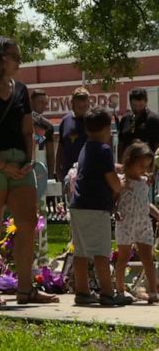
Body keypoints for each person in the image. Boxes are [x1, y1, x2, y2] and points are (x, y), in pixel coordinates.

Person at [0, 36, 59, 306]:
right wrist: (2, 165)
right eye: (15, 56)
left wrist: (28, 160)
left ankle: (26, 289)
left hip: (20, 164)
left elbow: (28, 129)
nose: (20, 61)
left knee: (28, 221)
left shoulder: (21, 90)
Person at [70, 107, 131, 306]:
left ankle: (82, 291)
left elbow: (100, 167)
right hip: (96, 207)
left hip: (78, 205)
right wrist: (121, 184)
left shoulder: (86, 147)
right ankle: (107, 293)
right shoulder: (104, 149)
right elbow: (112, 181)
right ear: (107, 128)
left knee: (80, 251)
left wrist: (117, 167)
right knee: (101, 251)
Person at [115, 141, 159, 303]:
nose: (144, 170)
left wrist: (157, 214)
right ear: (130, 161)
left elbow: (145, 203)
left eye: (147, 166)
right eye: (141, 165)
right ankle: (120, 289)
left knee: (148, 256)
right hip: (126, 223)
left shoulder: (144, 182)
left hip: (143, 223)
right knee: (123, 256)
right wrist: (115, 212)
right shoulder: (122, 181)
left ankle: (153, 291)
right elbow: (113, 201)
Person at [55, 87, 89, 183]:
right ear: (72, 103)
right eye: (79, 102)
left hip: (88, 172)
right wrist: (57, 169)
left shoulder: (92, 121)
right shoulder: (65, 121)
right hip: (68, 173)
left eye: (84, 102)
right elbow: (61, 146)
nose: (82, 105)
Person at [118, 88, 159, 161]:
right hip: (128, 164)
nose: (137, 108)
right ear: (130, 103)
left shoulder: (153, 119)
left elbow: (157, 146)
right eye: (134, 105)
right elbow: (121, 142)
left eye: (140, 105)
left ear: (146, 102)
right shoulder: (125, 119)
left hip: (147, 164)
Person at [29, 89, 55, 179]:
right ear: (31, 102)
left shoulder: (47, 126)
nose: (44, 105)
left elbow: (50, 154)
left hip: (40, 168)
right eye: (40, 102)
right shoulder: (22, 120)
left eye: (45, 103)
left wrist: (51, 176)